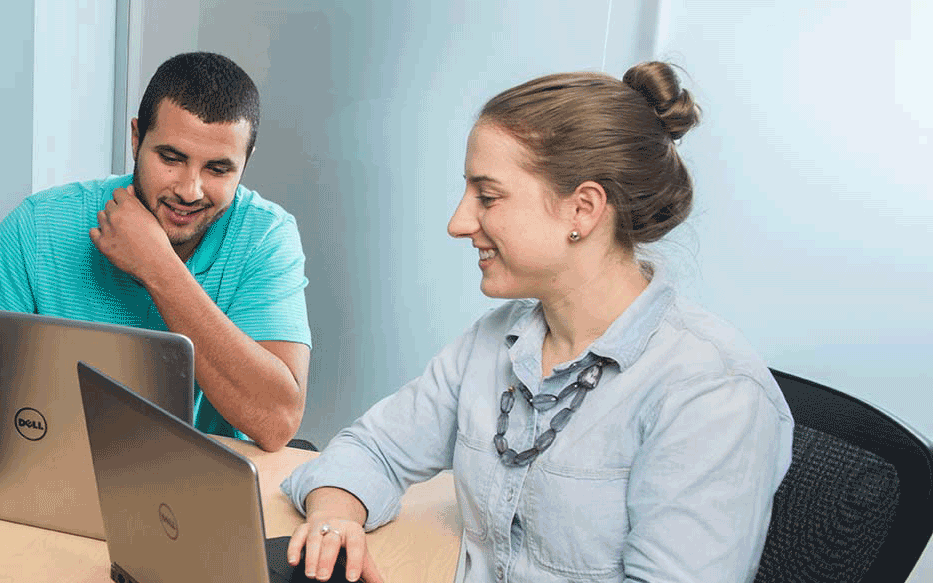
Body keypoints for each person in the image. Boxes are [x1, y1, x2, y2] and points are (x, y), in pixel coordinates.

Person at [280, 62, 793, 582]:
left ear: (583, 210)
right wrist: (335, 517)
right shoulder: (494, 341)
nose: (459, 223)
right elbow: (372, 449)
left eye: (488, 196)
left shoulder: (711, 391)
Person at [0, 52, 311, 452]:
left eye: (218, 169)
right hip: (52, 475)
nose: (189, 190)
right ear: (136, 138)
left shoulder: (265, 237)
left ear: (245, 163)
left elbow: (277, 421)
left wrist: (158, 266)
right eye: (171, 158)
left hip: (200, 489)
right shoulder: (36, 227)